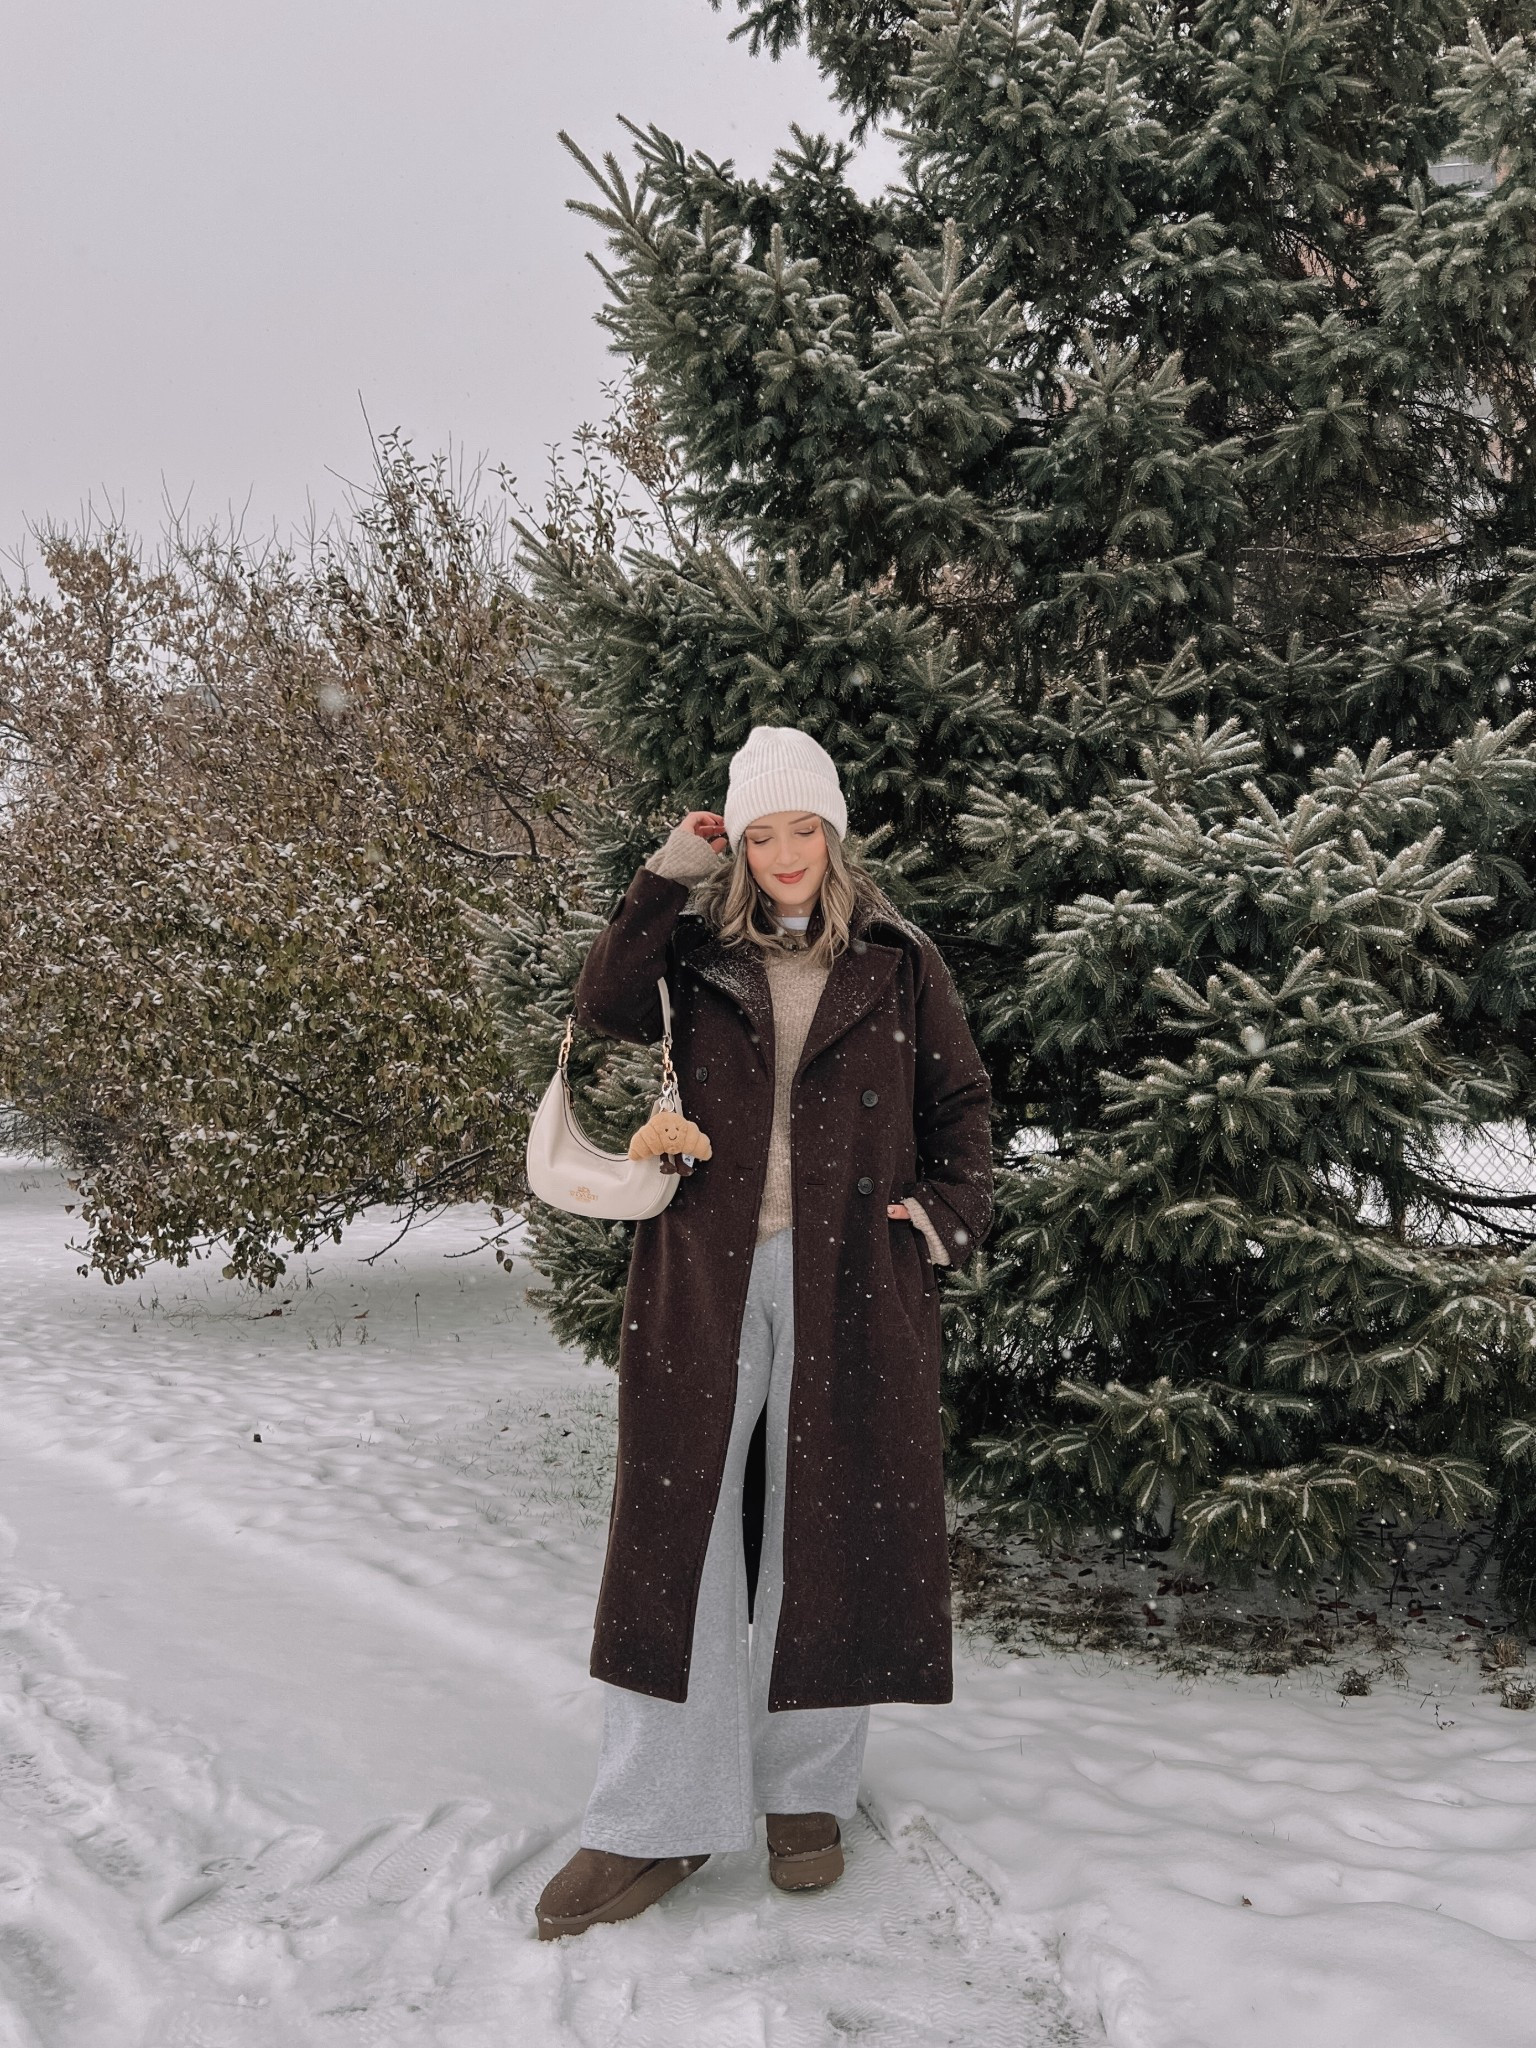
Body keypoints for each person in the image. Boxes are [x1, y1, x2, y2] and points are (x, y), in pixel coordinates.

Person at [535, 723, 994, 1941]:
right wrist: (659, 879)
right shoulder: (692, 953)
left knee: (832, 1524)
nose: (786, 852)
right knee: (673, 1533)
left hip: (854, 1280)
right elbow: (603, 1007)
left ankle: (806, 1793)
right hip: (702, 1271)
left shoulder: (898, 960)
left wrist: (938, 1221)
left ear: (833, 835)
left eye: (805, 828)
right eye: (761, 832)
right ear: (738, 844)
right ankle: (653, 1815)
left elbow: (962, 1104)